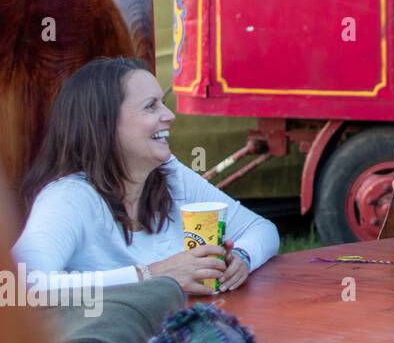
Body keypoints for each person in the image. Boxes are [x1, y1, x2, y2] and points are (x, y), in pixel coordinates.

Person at [14, 57, 279, 296]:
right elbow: (18, 283)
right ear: (104, 123)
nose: (170, 115)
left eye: (162, 103)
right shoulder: (69, 197)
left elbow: (261, 229)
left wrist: (241, 258)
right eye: (151, 107)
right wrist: (155, 274)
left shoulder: (169, 175)